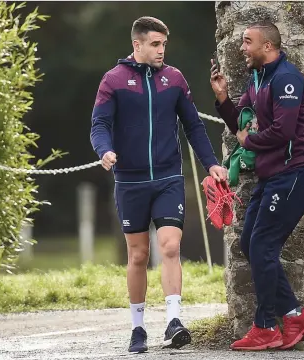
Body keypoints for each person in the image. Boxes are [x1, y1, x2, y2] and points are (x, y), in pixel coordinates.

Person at [90, 16, 227, 353]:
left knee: (170, 247)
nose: (161, 50)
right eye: (154, 44)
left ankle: (173, 321)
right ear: (137, 44)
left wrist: (211, 163)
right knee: (138, 255)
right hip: (130, 182)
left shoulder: (174, 79)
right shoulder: (114, 80)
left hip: (168, 177)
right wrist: (104, 151)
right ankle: (138, 329)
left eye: (163, 44)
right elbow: (99, 124)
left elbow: (194, 126)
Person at [209, 21, 304, 351]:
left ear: (268, 47)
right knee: (250, 243)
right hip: (273, 174)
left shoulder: (286, 78)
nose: (242, 48)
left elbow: (284, 132)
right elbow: (240, 122)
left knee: (262, 245)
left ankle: (265, 327)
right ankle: (293, 314)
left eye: (248, 42)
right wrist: (222, 98)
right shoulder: (258, 78)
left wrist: (250, 140)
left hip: (296, 173)